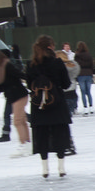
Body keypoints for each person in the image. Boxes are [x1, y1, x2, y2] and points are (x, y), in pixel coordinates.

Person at [24, 35, 75, 177]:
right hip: (57, 103)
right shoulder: (57, 62)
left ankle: (45, 168)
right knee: (59, 134)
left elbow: (29, 84)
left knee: (42, 135)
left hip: (39, 105)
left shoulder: (31, 64)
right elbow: (66, 84)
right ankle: (61, 167)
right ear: (50, 47)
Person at [0, 49, 30, 156]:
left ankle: (23, 145)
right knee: (22, 121)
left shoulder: (7, 66)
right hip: (13, 97)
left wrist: (33, 80)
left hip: (19, 96)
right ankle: (28, 144)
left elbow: (20, 75)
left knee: (17, 121)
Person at [74, 41, 95, 113]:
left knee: (83, 92)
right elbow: (91, 65)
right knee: (88, 91)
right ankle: (91, 106)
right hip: (88, 73)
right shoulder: (88, 55)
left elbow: (76, 66)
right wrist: (92, 73)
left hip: (81, 74)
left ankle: (85, 107)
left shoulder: (77, 56)